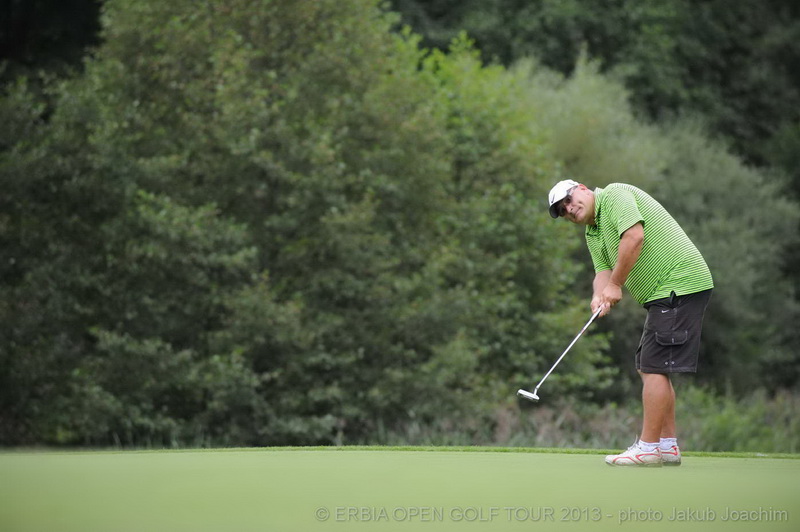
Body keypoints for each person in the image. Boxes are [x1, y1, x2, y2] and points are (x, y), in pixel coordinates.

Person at [547, 180, 713, 467]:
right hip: (666, 292)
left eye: (569, 200)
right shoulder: (593, 232)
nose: (569, 209)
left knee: (652, 367)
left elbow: (634, 236)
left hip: (679, 283)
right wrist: (599, 295)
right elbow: (602, 271)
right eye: (563, 211)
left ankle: (648, 448)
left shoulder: (614, 195)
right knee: (649, 366)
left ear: (583, 188)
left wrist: (615, 286)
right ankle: (667, 446)